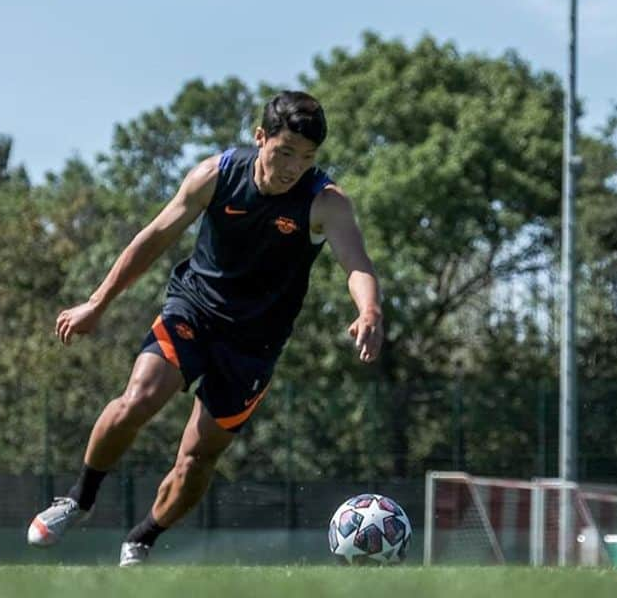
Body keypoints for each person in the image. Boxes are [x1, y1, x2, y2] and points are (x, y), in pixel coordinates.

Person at [27, 90, 383, 566]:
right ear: (260, 139)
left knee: (197, 457)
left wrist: (370, 310)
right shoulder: (216, 175)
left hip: (255, 345)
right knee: (139, 397)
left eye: (306, 157)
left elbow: (356, 262)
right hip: (193, 309)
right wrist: (97, 303)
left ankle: (143, 538)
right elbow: (153, 237)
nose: (294, 166)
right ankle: (79, 498)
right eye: (284, 152)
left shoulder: (325, 202)